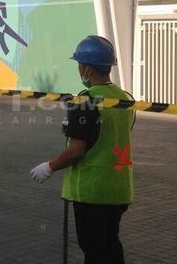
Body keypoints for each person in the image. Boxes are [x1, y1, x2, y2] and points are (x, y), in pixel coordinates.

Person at [30, 35, 135, 264]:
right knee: (110, 245)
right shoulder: (125, 99)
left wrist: (49, 166)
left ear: (86, 68)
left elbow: (77, 150)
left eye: (79, 65)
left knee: (95, 250)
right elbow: (110, 133)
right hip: (118, 188)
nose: (79, 70)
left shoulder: (85, 100)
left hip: (92, 191)